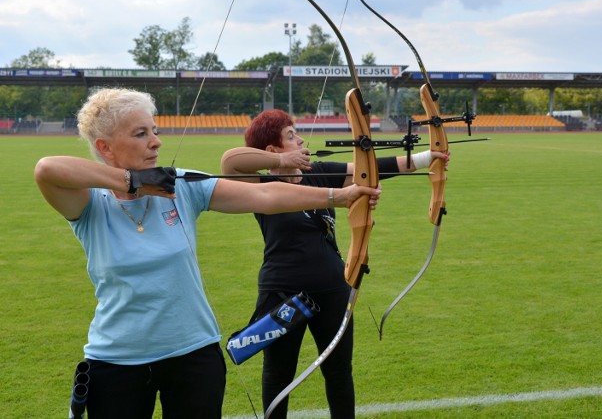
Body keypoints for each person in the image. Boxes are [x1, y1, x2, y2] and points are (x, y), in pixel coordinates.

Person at [33, 88, 381, 419]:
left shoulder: (179, 185)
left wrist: (340, 195)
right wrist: (132, 182)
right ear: (105, 147)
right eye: (140, 134)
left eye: (154, 130)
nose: (156, 141)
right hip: (116, 361)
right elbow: (47, 169)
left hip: (193, 354)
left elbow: (266, 196)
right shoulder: (90, 202)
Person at [220, 109, 449, 418]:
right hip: (283, 294)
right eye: (291, 137)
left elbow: (372, 167)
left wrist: (428, 158)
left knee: (339, 372)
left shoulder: (321, 170)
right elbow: (230, 162)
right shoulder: (260, 187)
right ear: (272, 150)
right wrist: (282, 163)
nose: (301, 140)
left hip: (333, 289)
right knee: (279, 375)